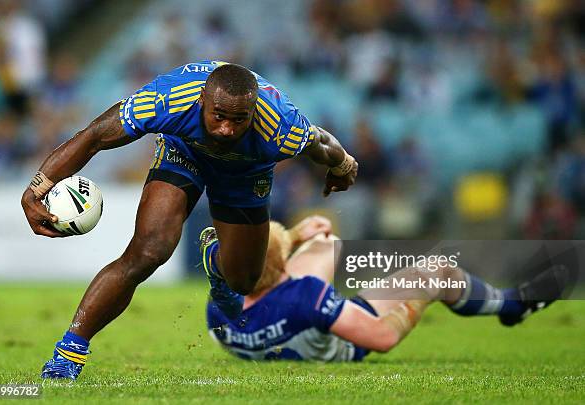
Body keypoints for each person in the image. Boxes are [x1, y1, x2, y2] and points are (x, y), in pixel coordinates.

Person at [21, 61, 358, 379]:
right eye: (219, 116)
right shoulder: (166, 99)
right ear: (201, 101)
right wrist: (37, 188)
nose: (226, 129)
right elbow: (94, 136)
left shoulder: (282, 123)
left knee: (243, 282)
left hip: (245, 172)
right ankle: (68, 354)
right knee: (147, 253)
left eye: (238, 120)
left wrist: (342, 164)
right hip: (184, 153)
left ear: (253, 112)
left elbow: (320, 142)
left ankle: (216, 259)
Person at [206, 215, 570, 361]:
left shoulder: (218, 298)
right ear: (283, 268)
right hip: (339, 342)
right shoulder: (306, 296)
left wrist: (297, 235)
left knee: (324, 240)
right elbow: (380, 338)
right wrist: (416, 302)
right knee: (437, 271)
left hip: (266, 331)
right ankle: (512, 305)